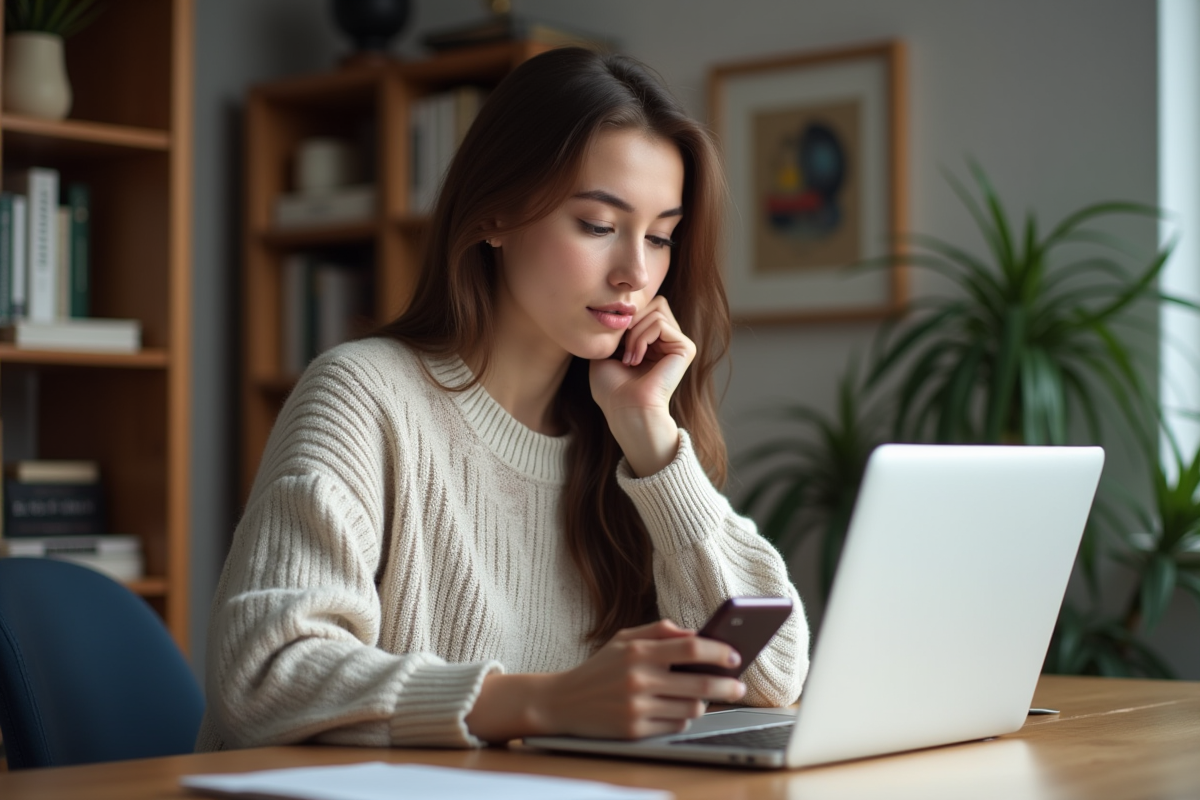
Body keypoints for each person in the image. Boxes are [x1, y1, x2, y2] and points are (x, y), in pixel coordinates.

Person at [197, 46, 809, 752]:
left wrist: (651, 438)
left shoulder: (623, 437)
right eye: (598, 225)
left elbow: (774, 679)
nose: (636, 273)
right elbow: (263, 676)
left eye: (662, 237)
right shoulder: (363, 395)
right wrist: (548, 703)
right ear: (494, 215)